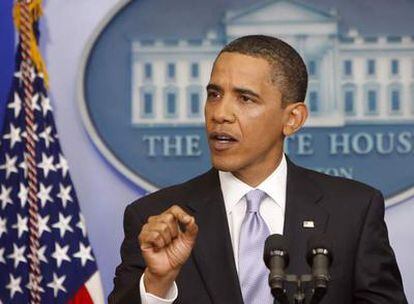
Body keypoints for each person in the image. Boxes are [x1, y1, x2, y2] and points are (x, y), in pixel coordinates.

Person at [108, 35, 407, 304]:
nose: (220, 113)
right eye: (214, 94)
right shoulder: (154, 218)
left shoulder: (353, 211)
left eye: (245, 98)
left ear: (292, 119)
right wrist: (157, 283)